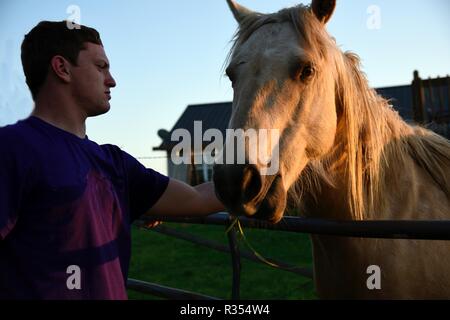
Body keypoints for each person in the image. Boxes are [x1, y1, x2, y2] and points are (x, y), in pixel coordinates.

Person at [0, 21, 225, 299]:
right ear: (62, 69)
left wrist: (270, 173)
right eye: (100, 67)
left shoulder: (115, 163)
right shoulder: (12, 148)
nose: (112, 80)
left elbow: (198, 198)